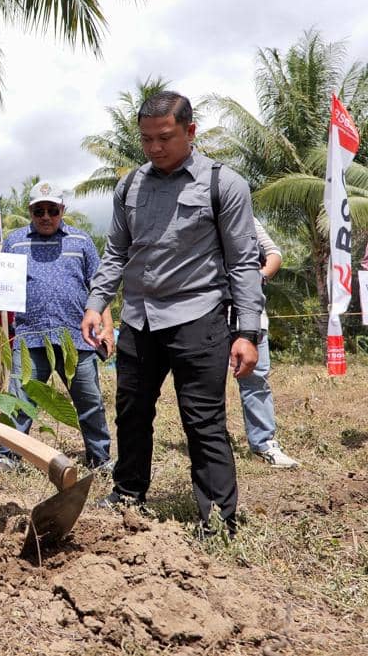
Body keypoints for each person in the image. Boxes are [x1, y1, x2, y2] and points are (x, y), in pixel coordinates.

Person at [83, 91, 263, 537]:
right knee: (131, 411)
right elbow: (116, 252)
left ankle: (219, 517)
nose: (155, 148)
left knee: (203, 419)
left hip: (198, 317)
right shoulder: (130, 186)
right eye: (146, 140)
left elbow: (243, 263)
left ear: (190, 131)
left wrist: (247, 333)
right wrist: (96, 302)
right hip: (139, 320)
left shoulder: (224, 185)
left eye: (164, 138)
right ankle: (128, 494)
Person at [0, 181, 114, 472]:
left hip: (77, 336)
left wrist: (108, 328)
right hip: (29, 336)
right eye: (39, 211)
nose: (46, 216)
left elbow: (99, 288)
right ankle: (7, 456)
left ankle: (100, 458)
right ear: (30, 212)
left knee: (90, 402)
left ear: (63, 210)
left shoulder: (82, 241)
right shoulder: (14, 242)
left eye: (52, 210)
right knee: (20, 400)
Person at [237, 218, 299, 468]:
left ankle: (264, 443)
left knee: (256, 379)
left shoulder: (247, 218)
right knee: (208, 386)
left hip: (251, 314)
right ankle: (214, 445)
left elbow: (273, 253)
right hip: (208, 315)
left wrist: (257, 279)